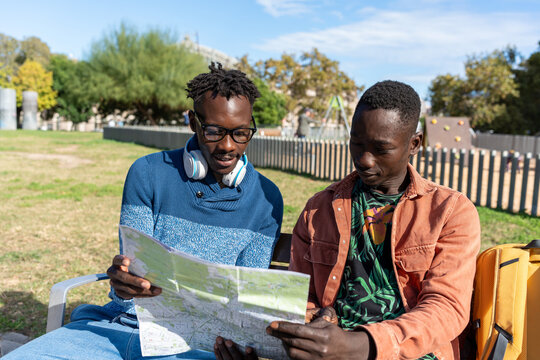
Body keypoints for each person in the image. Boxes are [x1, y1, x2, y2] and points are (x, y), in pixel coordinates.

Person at [5, 63, 284, 360]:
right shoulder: (148, 172)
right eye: (214, 131)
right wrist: (124, 284)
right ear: (193, 122)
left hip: (198, 345)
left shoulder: (266, 200)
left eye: (241, 133)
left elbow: (246, 302)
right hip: (114, 326)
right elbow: (134, 266)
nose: (228, 146)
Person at [216, 80, 480, 360]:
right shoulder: (319, 209)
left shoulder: (450, 212)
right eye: (357, 143)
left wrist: (361, 345)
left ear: (414, 143)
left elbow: (446, 308)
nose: (364, 159)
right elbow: (300, 295)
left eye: (380, 149)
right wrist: (317, 322)